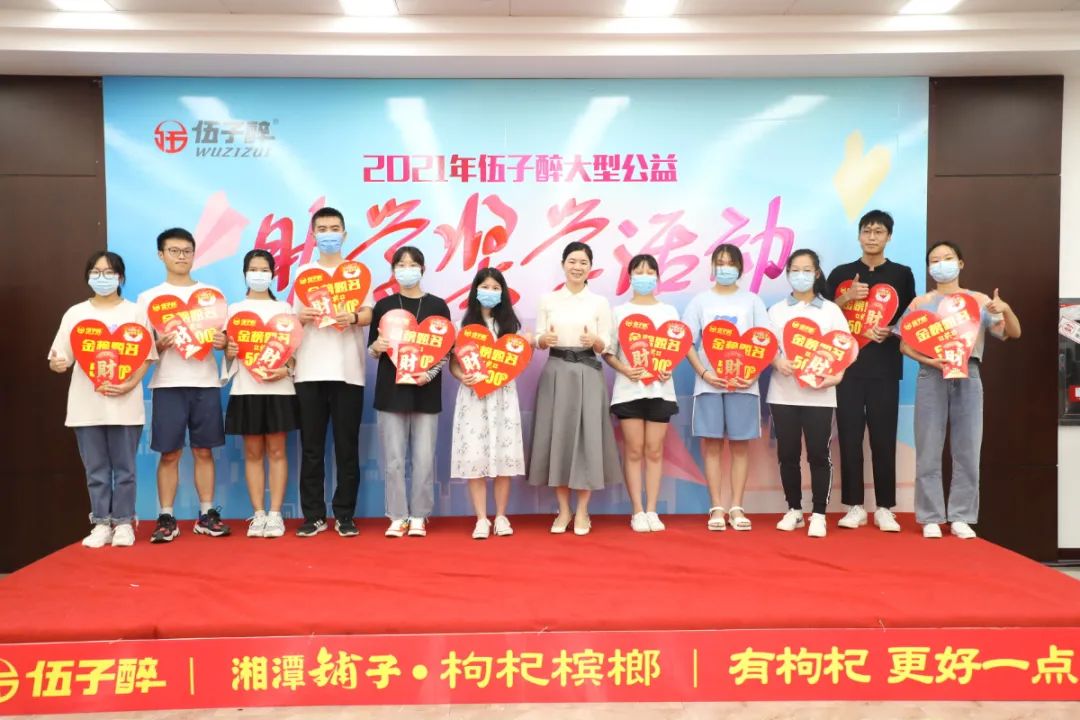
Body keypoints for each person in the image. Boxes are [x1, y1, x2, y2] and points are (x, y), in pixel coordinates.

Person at [900, 241, 1020, 540]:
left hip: (969, 372)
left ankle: (961, 516)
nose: (941, 264)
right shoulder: (920, 303)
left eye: (947, 258)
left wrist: (1005, 309)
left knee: (967, 447)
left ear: (960, 263)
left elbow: (1012, 333)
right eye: (935, 260)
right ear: (929, 268)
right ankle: (930, 517)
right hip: (932, 374)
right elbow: (904, 345)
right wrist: (930, 360)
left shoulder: (978, 300)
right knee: (928, 447)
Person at [49, 251, 156, 548]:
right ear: (88, 276)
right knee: (95, 470)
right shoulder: (75, 313)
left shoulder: (135, 312)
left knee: (125, 470)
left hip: (125, 405)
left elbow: (147, 356)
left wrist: (129, 384)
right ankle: (100, 523)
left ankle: (124, 522)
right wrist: (57, 364)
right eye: (96, 272)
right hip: (87, 406)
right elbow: (60, 358)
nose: (102, 278)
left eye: (109, 273)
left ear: (120, 277)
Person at [827, 210, 917, 533]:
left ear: (889, 237)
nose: (872, 237)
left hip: (885, 369)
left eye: (879, 231)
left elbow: (911, 318)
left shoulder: (902, 274)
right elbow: (824, 318)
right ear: (859, 235)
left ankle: (884, 507)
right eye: (867, 231)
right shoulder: (841, 274)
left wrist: (890, 331)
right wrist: (846, 296)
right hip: (847, 370)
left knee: (883, 439)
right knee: (849, 438)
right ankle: (854, 506)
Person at [137, 228, 229, 543]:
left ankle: (206, 514)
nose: (181, 256)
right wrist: (159, 345)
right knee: (170, 453)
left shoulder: (211, 295)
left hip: (205, 381)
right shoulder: (148, 298)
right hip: (167, 384)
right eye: (174, 251)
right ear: (161, 255)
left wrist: (222, 342)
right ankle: (166, 517)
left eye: (187, 251)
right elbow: (140, 348)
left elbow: (225, 339)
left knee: (204, 450)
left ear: (194, 254)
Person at [528, 241, 622, 536]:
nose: (577, 267)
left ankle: (582, 510)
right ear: (563, 264)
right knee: (557, 437)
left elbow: (608, 344)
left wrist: (596, 341)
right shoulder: (548, 300)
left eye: (583, 262)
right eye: (572, 261)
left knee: (587, 439)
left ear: (590, 267)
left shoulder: (599, 303)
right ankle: (563, 510)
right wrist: (542, 340)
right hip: (556, 372)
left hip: (588, 372)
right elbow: (539, 336)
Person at [292, 207, 374, 538]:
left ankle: (344, 515)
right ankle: (313, 515)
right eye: (322, 229)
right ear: (313, 235)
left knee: (346, 447)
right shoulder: (304, 273)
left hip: (348, 372)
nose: (329, 234)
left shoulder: (357, 273)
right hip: (309, 371)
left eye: (334, 228)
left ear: (344, 234)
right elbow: (291, 322)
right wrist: (302, 317)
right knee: (311, 448)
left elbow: (369, 313)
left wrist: (352, 317)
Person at [683, 244, 773, 532]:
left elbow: (766, 341)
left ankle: (736, 506)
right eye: (719, 263)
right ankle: (716, 507)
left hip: (744, 385)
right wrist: (704, 373)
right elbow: (686, 342)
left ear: (739, 268)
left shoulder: (752, 301)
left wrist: (753, 373)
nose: (724, 269)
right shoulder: (700, 301)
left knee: (739, 445)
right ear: (713, 267)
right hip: (709, 384)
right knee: (711, 444)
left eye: (730, 264)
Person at [368, 246, 452, 538]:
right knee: (392, 459)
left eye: (412, 264)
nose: (407, 269)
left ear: (422, 269)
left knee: (424, 458)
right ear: (393, 271)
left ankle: (419, 515)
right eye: (401, 265)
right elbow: (373, 349)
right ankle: (397, 515)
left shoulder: (438, 306)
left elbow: (445, 350)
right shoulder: (384, 306)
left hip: (425, 390)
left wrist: (428, 374)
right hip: (390, 391)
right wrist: (376, 347)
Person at [767, 249, 850, 538]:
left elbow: (845, 347)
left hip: (820, 395)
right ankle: (794, 510)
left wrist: (837, 375)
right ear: (788, 274)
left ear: (816, 273)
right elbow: (767, 347)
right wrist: (777, 361)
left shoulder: (831, 310)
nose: (800, 275)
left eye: (806, 270)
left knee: (818, 454)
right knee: (787, 454)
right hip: (783, 394)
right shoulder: (777, 311)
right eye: (795, 270)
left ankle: (818, 513)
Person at [222, 250, 300, 539]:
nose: (258, 274)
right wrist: (229, 351)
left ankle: (276, 514)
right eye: (253, 269)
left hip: (279, 389)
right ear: (245, 273)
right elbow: (228, 353)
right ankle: (258, 514)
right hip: (247, 388)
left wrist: (287, 369)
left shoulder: (285, 309)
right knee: (253, 452)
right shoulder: (234, 310)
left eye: (264, 269)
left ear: (273, 274)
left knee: (277, 451)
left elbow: (296, 349)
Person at [449, 268, 526, 539]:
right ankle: (481, 518)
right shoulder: (462, 326)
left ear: (503, 292)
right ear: (475, 290)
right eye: (485, 287)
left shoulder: (511, 327)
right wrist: (463, 377)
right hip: (473, 398)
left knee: (503, 457)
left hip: (503, 398)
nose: (490, 292)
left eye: (496, 288)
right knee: (475, 456)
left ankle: (501, 516)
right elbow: (454, 364)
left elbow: (517, 360)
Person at [604, 254, 680, 532]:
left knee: (655, 450)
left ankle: (652, 510)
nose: (644, 277)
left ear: (657, 278)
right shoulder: (619, 312)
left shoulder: (669, 311)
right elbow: (608, 352)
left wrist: (668, 368)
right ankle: (637, 510)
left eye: (650, 272)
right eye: (639, 272)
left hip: (660, 390)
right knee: (634, 450)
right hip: (629, 391)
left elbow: (675, 349)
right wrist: (625, 369)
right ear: (630, 277)